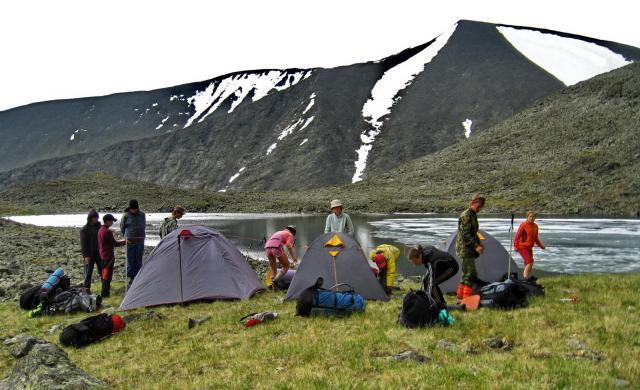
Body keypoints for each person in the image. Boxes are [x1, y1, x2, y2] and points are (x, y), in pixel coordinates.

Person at [455, 193, 485, 299]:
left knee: (466, 272)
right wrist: (476, 246)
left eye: (481, 207)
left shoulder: (472, 214)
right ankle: (466, 297)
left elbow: (473, 232)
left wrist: (479, 243)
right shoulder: (466, 215)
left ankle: (460, 294)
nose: (479, 209)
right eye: (479, 206)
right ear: (474, 203)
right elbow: (465, 234)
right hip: (465, 248)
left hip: (469, 248)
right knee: (471, 273)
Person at [98, 214, 125, 297]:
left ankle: (104, 293)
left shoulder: (100, 230)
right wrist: (125, 242)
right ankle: (105, 294)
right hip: (108, 257)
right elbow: (115, 244)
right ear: (108, 221)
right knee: (107, 276)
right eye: (112, 221)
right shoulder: (107, 231)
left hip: (102, 256)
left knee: (104, 275)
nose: (112, 222)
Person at [120, 199, 146, 285]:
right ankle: (131, 277)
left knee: (138, 258)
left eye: (135, 209)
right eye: (132, 209)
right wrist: (125, 237)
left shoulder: (142, 215)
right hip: (130, 241)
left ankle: (138, 277)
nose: (134, 211)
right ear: (130, 208)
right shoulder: (126, 216)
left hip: (140, 240)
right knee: (131, 259)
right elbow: (122, 228)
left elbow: (144, 226)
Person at [514, 211, 545, 280]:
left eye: (533, 216)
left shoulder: (535, 226)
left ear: (535, 218)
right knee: (530, 261)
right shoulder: (523, 225)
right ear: (527, 217)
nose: (531, 218)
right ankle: (525, 278)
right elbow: (517, 236)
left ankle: (527, 278)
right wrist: (515, 246)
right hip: (522, 247)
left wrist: (540, 245)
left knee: (528, 263)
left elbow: (535, 238)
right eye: (530, 216)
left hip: (529, 247)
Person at [79, 209, 102, 292]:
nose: (96, 219)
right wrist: (86, 256)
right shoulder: (84, 229)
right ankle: (86, 289)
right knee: (88, 273)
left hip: (99, 253)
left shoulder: (100, 227)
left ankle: (105, 288)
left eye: (97, 217)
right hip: (89, 255)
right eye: (94, 217)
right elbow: (83, 244)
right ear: (90, 218)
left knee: (102, 271)